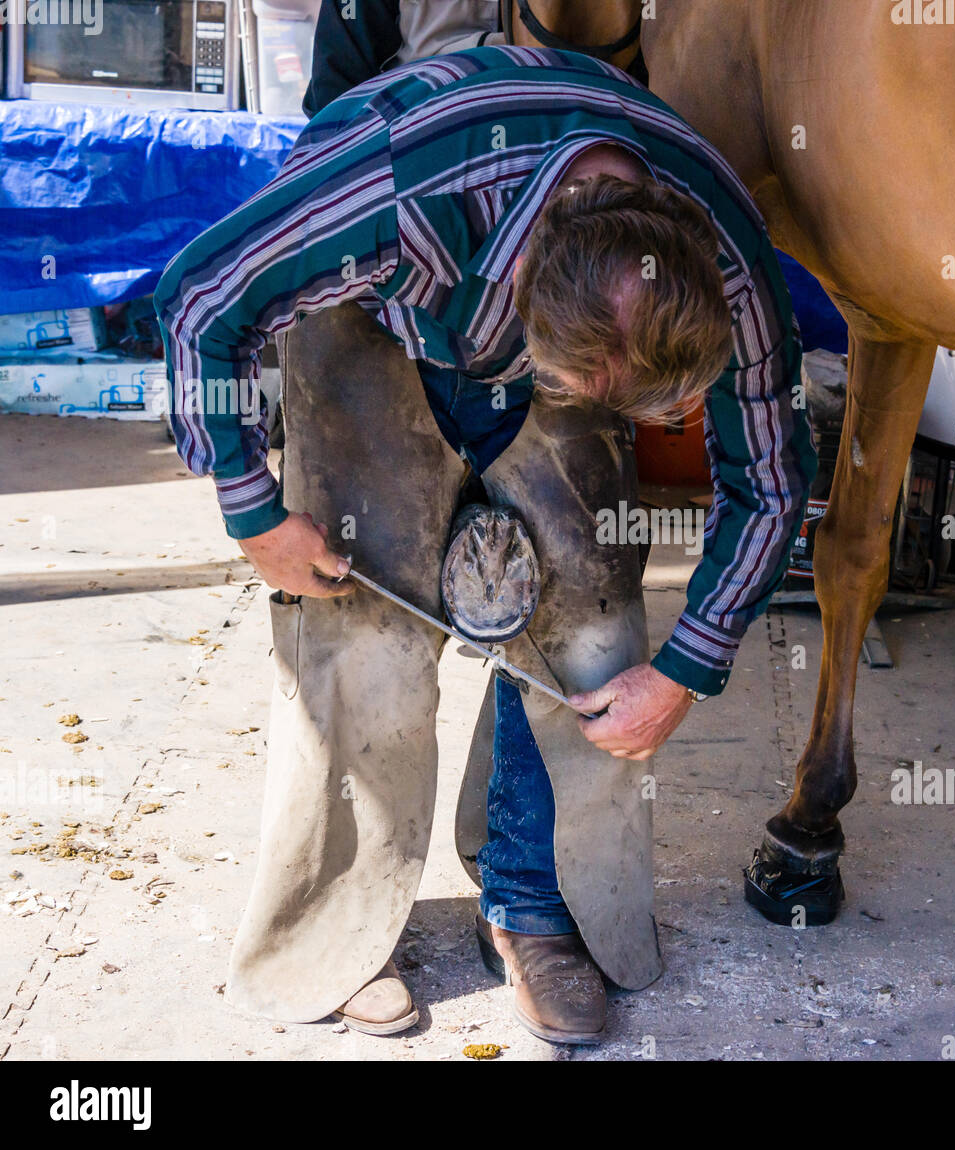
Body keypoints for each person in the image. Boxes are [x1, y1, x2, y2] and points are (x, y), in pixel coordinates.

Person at [155, 43, 814, 1045]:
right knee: (357, 624)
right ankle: (331, 934)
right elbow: (202, 297)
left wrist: (688, 669)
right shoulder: (389, 190)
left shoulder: (723, 262)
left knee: (592, 619)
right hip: (372, 309)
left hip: (553, 311)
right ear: (540, 288)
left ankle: (534, 905)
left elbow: (770, 478)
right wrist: (253, 510)